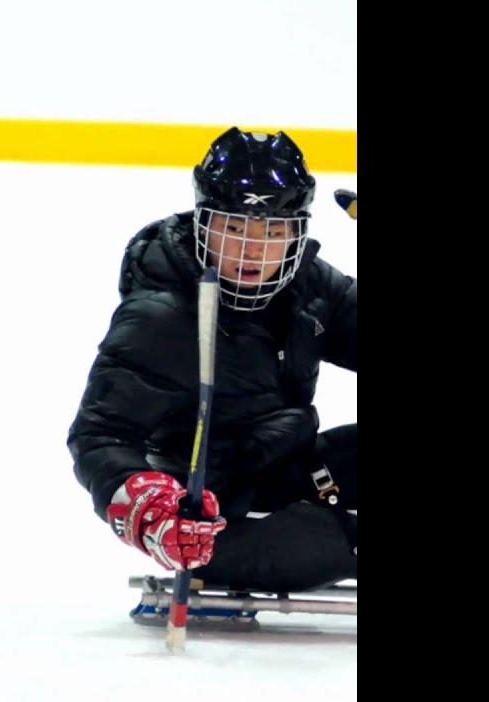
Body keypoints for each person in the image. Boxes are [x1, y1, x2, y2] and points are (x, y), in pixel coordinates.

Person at [67, 127, 357, 594]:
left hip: (288, 466)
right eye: (235, 228)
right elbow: (100, 436)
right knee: (326, 543)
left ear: (298, 233)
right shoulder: (163, 316)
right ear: (204, 223)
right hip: (208, 517)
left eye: (273, 231)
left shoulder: (311, 286)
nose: (252, 250)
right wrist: (150, 508)